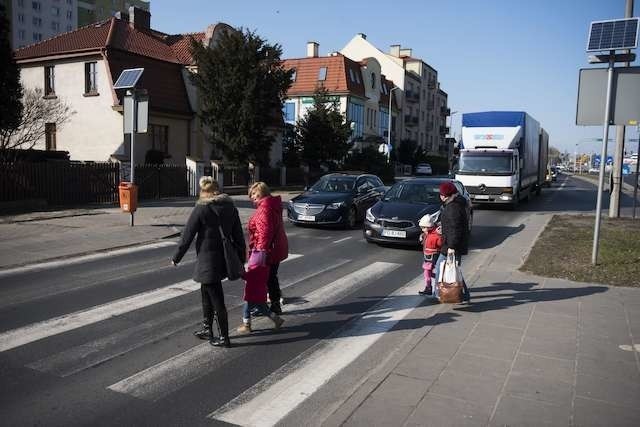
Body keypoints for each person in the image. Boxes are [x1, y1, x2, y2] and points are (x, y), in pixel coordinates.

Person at [171, 176, 246, 348]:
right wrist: (241, 258)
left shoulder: (201, 208)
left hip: (207, 260)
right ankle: (207, 329)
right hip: (224, 258)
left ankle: (224, 337)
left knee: (217, 299)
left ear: (203, 192)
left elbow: (187, 236)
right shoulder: (230, 207)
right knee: (206, 293)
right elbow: (239, 235)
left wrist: (176, 257)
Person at [246, 181, 289, 315]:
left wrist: (259, 253)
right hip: (276, 248)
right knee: (270, 277)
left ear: (262, 193)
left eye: (254, 193)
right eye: (251, 194)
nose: (252, 196)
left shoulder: (264, 209)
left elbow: (264, 233)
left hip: (267, 250)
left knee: (261, 279)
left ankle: (261, 306)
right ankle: (274, 304)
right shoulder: (271, 205)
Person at [434, 181, 470, 302]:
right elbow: (451, 225)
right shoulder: (454, 204)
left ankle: (440, 294)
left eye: (442, 194)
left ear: (447, 195)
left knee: (445, 268)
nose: (440, 196)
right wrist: (443, 228)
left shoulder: (453, 207)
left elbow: (455, 228)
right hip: (452, 242)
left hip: (452, 245)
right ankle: (463, 295)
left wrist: (452, 246)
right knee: (454, 269)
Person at [236, 251, 285, 334]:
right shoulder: (265, 269)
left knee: (246, 309)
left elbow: (245, 276)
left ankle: (247, 326)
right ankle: (277, 320)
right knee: (265, 310)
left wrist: (240, 271)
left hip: (252, 295)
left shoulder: (254, 270)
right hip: (261, 294)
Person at [418, 213, 443, 296]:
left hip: (433, 256)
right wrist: (422, 238)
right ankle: (431, 285)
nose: (422, 230)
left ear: (428, 227)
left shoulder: (435, 235)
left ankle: (430, 287)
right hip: (427, 256)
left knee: (428, 272)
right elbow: (424, 243)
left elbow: (440, 244)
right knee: (427, 272)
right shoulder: (426, 234)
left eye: (423, 228)